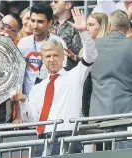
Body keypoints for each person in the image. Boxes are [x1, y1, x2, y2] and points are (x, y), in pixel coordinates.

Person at [12, 7, 98, 156]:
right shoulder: (37, 88)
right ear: (43, 60)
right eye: (48, 56)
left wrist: (84, 32)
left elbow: (90, 57)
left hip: (67, 138)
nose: (52, 60)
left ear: (63, 57)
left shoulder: (74, 77)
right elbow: (32, 120)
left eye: (55, 56)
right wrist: (23, 101)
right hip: (42, 140)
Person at [90, 10, 132, 119]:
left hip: (98, 114)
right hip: (127, 113)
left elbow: (86, 84)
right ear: (128, 27)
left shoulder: (93, 45)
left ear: (108, 26)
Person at [17, 3, 67, 96]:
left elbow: (62, 74)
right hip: (26, 99)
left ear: (50, 22)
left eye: (40, 22)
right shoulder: (23, 43)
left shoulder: (59, 43)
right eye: (32, 20)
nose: (35, 26)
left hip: (50, 97)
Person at [50, 0, 83, 70]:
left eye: (56, 1)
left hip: (69, 73)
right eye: (51, 2)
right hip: (50, 72)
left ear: (68, 5)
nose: (51, 4)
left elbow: (78, 54)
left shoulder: (77, 26)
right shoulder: (50, 26)